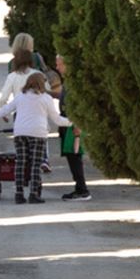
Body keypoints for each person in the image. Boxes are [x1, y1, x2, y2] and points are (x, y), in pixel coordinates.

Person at [0, 71, 71, 204]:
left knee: (20, 162)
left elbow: (7, 109)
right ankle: (33, 194)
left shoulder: (20, 97)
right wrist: (71, 121)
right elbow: (57, 119)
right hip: (38, 133)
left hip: (20, 133)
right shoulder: (46, 99)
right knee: (35, 164)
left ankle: (19, 193)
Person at [53, 54, 92, 200]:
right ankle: (80, 188)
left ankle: (82, 190)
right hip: (66, 121)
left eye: (59, 64)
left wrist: (78, 124)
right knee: (71, 156)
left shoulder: (75, 83)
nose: (57, 67)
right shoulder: (69, 81)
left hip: (72, 123)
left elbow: (80, 104)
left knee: (74, 155)